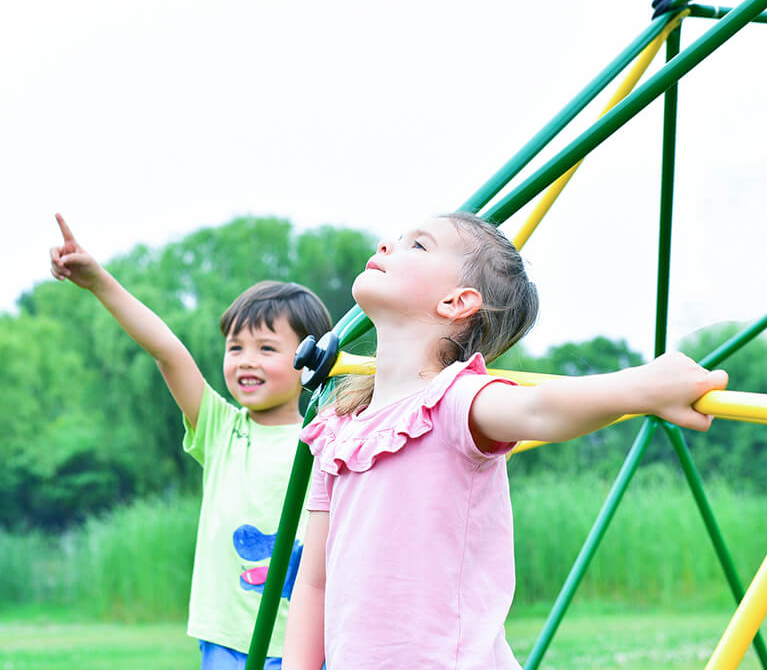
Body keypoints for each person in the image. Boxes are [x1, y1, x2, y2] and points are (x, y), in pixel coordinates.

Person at [282, 210, 728, 670]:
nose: (385, 246)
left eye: (418, 245)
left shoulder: (454, 401)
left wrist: (644, 386)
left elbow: (539, 409)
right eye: (397, 239)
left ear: (457, 301)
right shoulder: (339, 428)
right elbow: (315, 582)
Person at [49, 213, 332, 670]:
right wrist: (99, 281)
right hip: (222, 638)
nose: (245, 361)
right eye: (235, 347)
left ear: (308, 358)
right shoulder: (223, 428)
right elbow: (166, 350)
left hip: (296, 642)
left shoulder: (323, 436)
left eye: (266, 348)